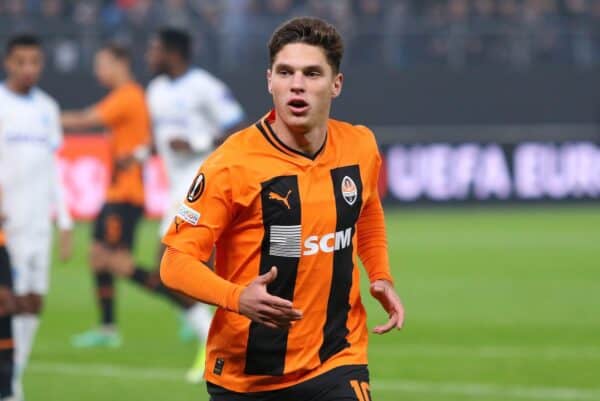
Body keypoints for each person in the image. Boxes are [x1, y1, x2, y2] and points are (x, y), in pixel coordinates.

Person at [160, 16, 405, 401]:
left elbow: (368, 207)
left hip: (337, 359)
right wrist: (237, 298)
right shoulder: (231, 164)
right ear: (269, 80)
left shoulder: (359, 146)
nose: (297, 85)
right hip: (247, 377)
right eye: (286, 72)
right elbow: (175, 263)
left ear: (335, 84)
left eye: (312, 73)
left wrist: (380, 274)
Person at [145, 27, 244, 382]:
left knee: (169, 267)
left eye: (154, 48)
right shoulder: (154, 91)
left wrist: (198, 141)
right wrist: (141, 153)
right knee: (196, 272)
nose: (149, 55)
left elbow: (236, 125)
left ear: (172, 52)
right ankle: (227, 336)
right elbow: (162, 141)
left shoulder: (203, 85)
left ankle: (215, 339)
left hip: (202, 184)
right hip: (175, 189)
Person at [61, 43, 152, 348]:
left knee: (118, 263)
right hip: (114, 192)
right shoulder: (124, 97)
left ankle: (187, 306)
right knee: (98, 257)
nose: (98, 71)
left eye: (102, 64)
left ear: (119, 63)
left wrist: (43, 118)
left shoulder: (128, 96)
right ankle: (108, 328)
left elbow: (85, 120)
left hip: (126, 195)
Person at [0, 34, 73, 401]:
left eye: (34, 62)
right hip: (5, 227)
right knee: (6, 303)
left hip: (37, 227)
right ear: (7, 63)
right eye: (21, 62)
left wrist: (65, 221)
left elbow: (54, 168)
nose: (28, 69)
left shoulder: (47, 107)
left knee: (31, 302)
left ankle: (14, 381)